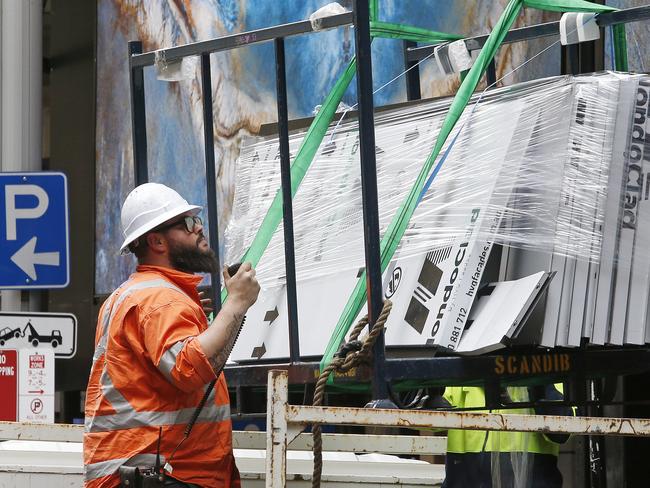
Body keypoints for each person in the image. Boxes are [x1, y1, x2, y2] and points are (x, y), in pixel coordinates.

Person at [83, 183, 260, 488]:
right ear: (156, 241)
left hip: (149, 471)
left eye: (197, 220)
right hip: (159, 472)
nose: (198, 229)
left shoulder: (140, 294)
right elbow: (189, 368)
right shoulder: (158, 298)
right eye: (188, 223)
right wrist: (236, 304)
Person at [441, 384, 574, 488]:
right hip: (467, 481)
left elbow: (562, 432)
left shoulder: (548, 365)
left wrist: (538, 383)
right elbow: (428, 417)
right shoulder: (465, 364)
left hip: (534, 479)